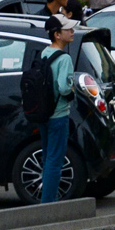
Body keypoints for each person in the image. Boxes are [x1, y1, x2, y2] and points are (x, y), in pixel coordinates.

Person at [38, 14, 78, 203]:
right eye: (68, 29)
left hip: (43, 113)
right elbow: (63, 87)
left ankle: (47, 198)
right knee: (55, 160)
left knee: (47, 158)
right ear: (57, 34)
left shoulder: (44, 53)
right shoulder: (65, 59)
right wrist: (72, 89)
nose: (72, 32)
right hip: (59, 114)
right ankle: (48, 203)